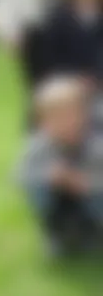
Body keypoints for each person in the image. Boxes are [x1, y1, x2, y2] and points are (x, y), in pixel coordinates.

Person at [17, 75, 103, 258]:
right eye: (56, 118)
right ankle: (56, 234)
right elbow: (20, 176)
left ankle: (93, 232)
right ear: (43, 122)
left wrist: (86, 183)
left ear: (84, 117)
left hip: (90, 196)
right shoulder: (39, 146)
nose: (66, 124)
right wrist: (48, 176)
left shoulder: (95, 145)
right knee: (37, 189)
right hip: (55, 199)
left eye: (72, 116)